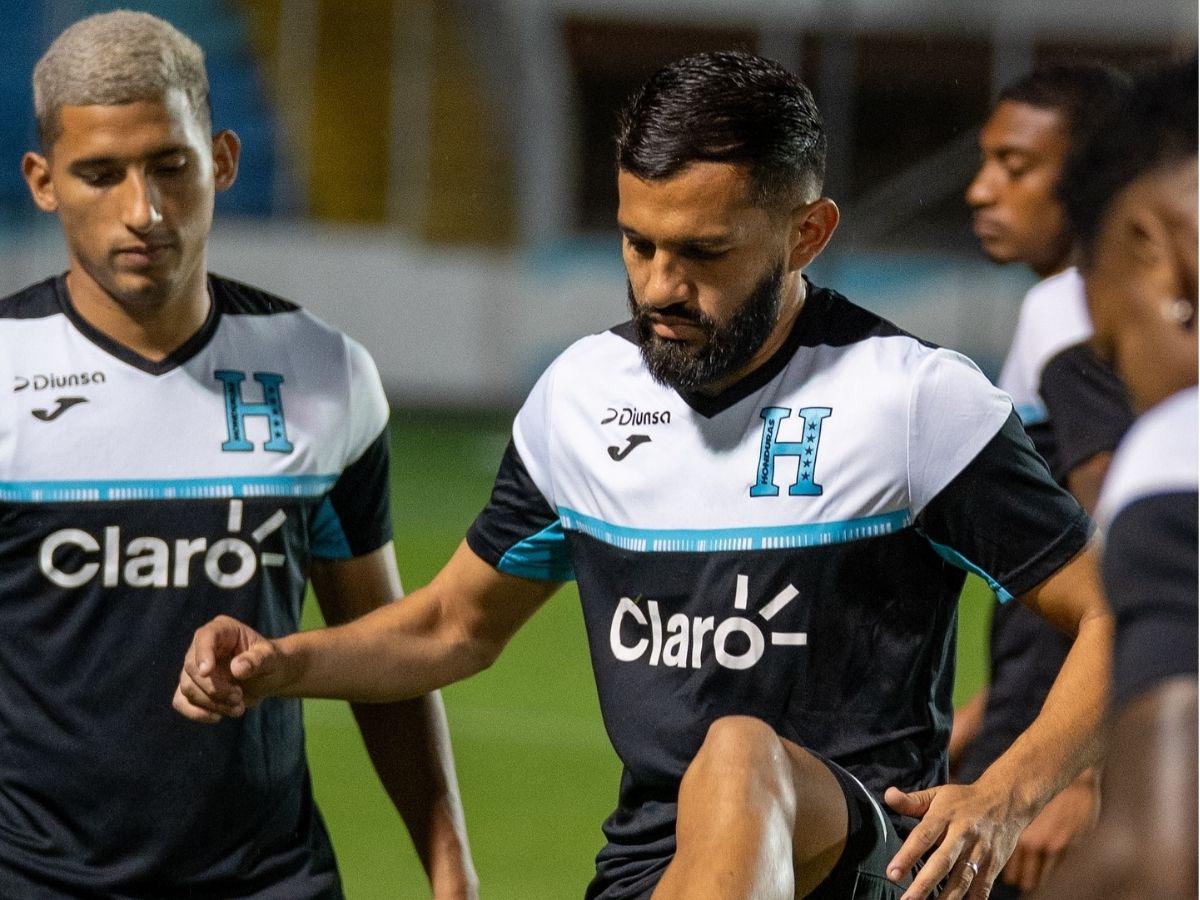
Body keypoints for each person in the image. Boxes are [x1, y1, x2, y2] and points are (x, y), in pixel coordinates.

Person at [176, 51, 1111, 900]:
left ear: (807, 234)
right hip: (648, 873)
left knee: (738, 755)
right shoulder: (580, 397)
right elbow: (451, 624)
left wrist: (1008, 795)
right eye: (638, 243)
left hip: (859, 862)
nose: (661, 285)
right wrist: (279, 663)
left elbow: (1122, 612)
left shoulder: (912, 399)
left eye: (704, 252)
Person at [2, 11, 476, 898]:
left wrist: (451, 870)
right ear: (43, 182)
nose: (142, 211)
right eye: (99, 175)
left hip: (268, 878)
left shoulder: (324, 373)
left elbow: (386, 653)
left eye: (169, 167)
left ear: (220, 159)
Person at [956, 64, 1134, 896]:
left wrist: (1085, 778)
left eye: (1015, 167)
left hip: (1056, 765)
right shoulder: (1118, 306)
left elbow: (1132, 551)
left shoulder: (1069, 310)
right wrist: (988, 710)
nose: (980, 190)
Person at [1032, 55, 1198, 900]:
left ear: (1152, 252)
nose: (1121, 372)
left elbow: (1160, 859)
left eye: (1112, 344)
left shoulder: (1180, 451)